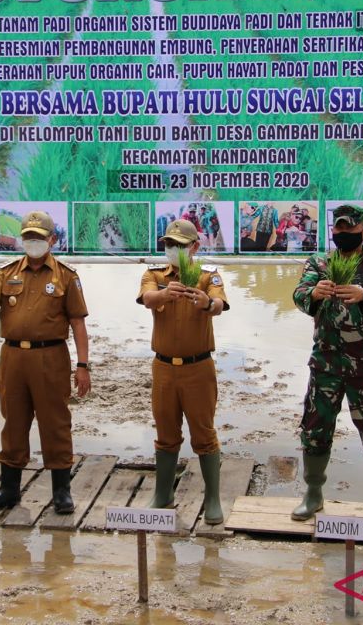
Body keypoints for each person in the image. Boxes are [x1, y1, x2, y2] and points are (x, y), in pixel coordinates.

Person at [0, 211, 91, 515]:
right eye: (28, 237)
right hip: (14, 358)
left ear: (52, 239)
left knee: (56, 423)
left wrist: (83, 365)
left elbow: (77, 323)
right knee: (14, 421)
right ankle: (9, 490)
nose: (33, 242)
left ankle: (61, 491)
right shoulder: (6, 272)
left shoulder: (66, 275)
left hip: (51, 357)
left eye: (39, 237)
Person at [290, 204, 363, 526]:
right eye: (338, 231)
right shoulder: (319, 262)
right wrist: (315, 292)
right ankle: (313, 495)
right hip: (326, 364)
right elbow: (298, 296)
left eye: (350, 231)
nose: (343, 235)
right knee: (314, 431)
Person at [137, 219, 230, 523]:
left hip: (198, 368)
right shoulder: (154, 274)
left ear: (195, 247)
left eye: (179, 244)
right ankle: (163, 495)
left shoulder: (207, 276)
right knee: (165, 433)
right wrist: (166, 294)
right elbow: (147, 298)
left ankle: (213, 500)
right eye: (168, 244)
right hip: (163, 368)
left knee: (204, 433)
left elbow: (218, 303)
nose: (172, 249)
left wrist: (206, 304)